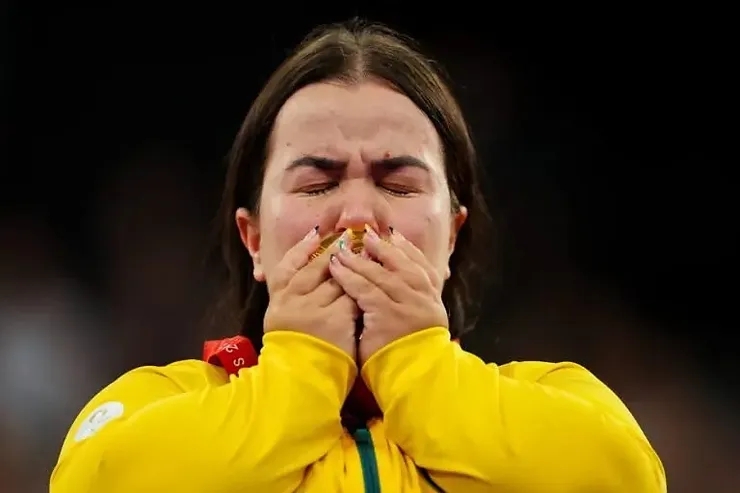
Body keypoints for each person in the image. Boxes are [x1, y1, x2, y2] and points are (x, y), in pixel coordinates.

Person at [50, 19, 666, 493]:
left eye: (398, 184)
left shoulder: (553, 404)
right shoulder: (160, 406)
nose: (357, 217)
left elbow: (626, 476)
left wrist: (417, 365)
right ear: (254, 239)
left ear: (451, 236)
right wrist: (301, 372)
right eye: (318, 183)